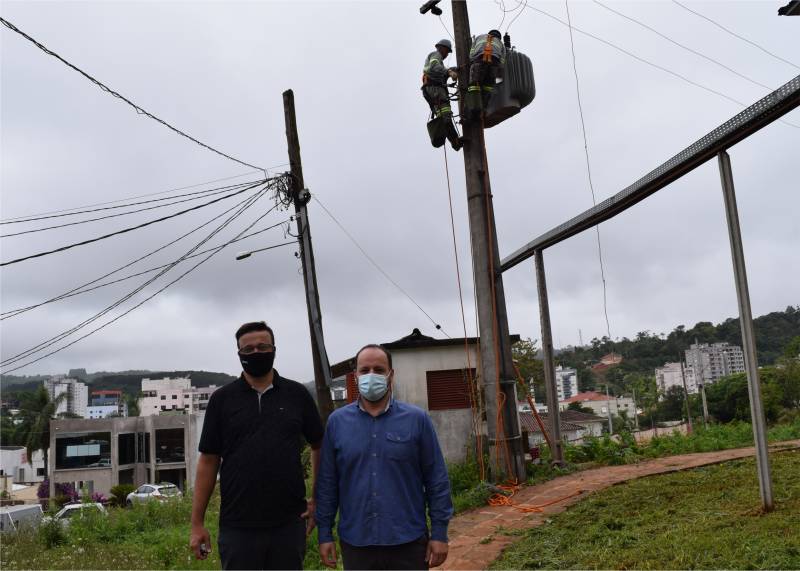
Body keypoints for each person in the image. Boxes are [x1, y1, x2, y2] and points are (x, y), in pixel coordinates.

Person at [189, 321, 324, 570]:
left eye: (263, 347)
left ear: (274, 349)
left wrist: (316, 500)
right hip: (237, 527)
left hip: (289, 524)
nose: (256, 353)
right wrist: (197, 523)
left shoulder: (297, 395)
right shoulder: (222, 400)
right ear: (239, 354)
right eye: (248, 350)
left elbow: (319, 446)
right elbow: (208, 461)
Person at [315, 344, 453, 570]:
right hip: (356, 542)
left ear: (391, 375)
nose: (371, 375)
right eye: (365, 369)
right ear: (356, 376)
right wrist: (324, 533)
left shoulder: (417, 420)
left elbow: (436, 479)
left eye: (379, 370)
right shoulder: (337, 423)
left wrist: (439, 533)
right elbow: (328, 483)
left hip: (408, 541)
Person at [422, 39, 462, 151]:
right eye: (447, 51)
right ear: (442, 48)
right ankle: (455, 140)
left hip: (433, 90)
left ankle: (455, 141)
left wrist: (453, 70)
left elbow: (439, 72)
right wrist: (449, 72)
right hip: (434, 89)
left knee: (445, 117)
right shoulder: (436, 55)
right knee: (445, 116)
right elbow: (434, 67)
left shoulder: (438, 60)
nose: (446, 55)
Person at [467, 29, 505, 117]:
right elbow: (502, 61)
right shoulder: (501, 44)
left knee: (474, 85)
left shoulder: (479, 37)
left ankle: (473, 108)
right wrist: (498, 74)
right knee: (488, 87)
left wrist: (472, 62)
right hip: (494, 63)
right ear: (499, 37)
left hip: (479, 60)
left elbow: (472, 52)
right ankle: (483, 110)